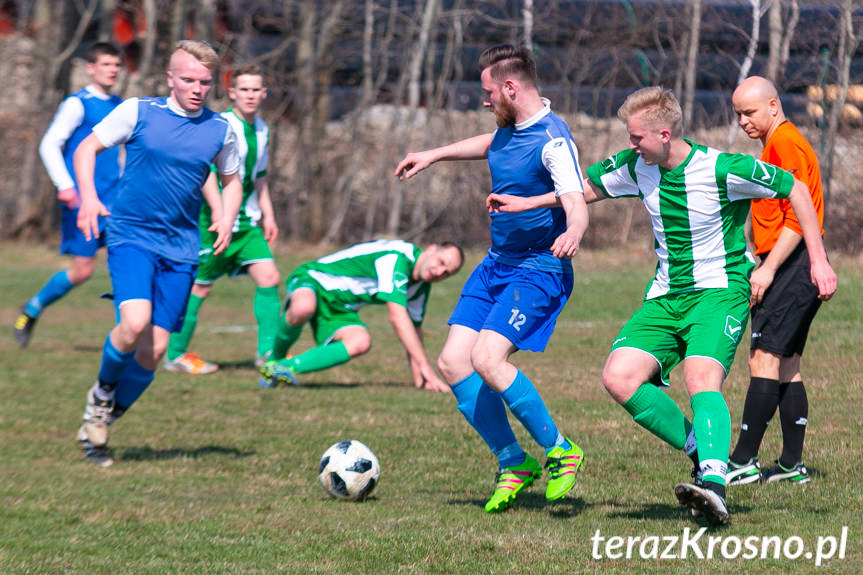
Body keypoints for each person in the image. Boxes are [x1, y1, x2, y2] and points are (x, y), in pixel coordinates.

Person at [488, 86, 835, 526]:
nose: (630, 145)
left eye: (636, 137)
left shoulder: (722, 168)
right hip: (666, 296)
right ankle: (700, 451)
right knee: (619, 378)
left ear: (664, 134)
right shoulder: (637, 166)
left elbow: (797, 190)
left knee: (699, 376)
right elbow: (584, 189)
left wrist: (819, 262)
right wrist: (528, 202)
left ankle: (713, 487)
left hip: (719, 292)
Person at [393, 44, 589, 514]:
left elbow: (577, 199)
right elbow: (491, 144)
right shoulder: (511, 129)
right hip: (496, 264)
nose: (484, 100)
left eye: (487, 92)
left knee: (487, 356)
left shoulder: (554, 140)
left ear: (510, 88)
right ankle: (512, 463)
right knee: (454, 363)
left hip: (539, 267)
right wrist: (434, 154)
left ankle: (561, 449)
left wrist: (575, 231)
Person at [72, 40, 243, 467]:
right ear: (170, 78)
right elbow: (85, 149)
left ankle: (102, 422)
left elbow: (230, 177)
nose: (197, 88)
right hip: (131, 235)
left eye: (205, 82)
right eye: (188, 79)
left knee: (153, 352)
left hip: (182, 249)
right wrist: (89, 199)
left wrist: (225, 213)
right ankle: (99, 398)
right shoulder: (138, 111)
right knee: (133, 325)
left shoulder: (221, 129)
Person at [726, 76, 827, 486]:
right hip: (793, 263)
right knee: (786, 365)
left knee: (762, 359)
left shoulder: (784, 143)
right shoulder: (775, 144)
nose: (742, 121)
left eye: (749, 112)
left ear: (772, 105)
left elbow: (798, 218)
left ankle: (743, 462)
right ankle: (790, 466)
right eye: (737, 114)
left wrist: (767, 268)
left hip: (791, 263)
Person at [164, 64, 281, 375]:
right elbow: (207, 173)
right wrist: (219, 213)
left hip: (248, 225)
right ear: (232, 93)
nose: (250, 95)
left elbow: (260, 178)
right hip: (213, 222)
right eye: (244, 89)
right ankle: (175, 355)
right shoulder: (221, 125)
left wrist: (268, 215)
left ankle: (268, 355)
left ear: (264, 93)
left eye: (256, 90)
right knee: (199, 288)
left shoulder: (263, 129)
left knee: (269, 279)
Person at [14, 42, 123, 348]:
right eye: (106, 64)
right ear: (91, 68)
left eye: (116, 65)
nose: (112, 70)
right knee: (83, 270)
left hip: (115, 201)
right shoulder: (79, 104)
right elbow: (49, 144)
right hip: (84, 200)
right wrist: (66, 186)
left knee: (125, 261)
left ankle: (127, 337)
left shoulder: (120, 104)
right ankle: (33, 307)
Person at [258, 239, 463, 392]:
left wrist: (420, 379)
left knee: (360, 342)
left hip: (341, 308)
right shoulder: (396, 257)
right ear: (431, 249)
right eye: (441, 262)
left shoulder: (420, 288)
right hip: (314, 279)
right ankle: (272, 358)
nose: (439, 271)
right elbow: (397, 316)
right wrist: (426, 367)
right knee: (303, 306)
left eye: (447, 272)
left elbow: (413, 329)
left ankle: (283, 368)